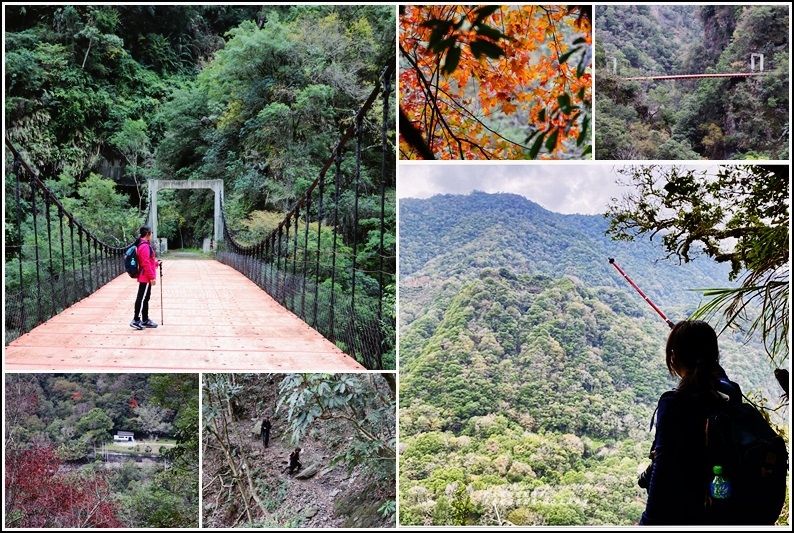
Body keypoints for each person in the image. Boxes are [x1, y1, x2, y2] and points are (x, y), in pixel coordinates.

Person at [639, 320, 741, 525]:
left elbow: (663, 471)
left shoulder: (674, 404)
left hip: (682, 515)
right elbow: (716, 373)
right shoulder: (729, 393)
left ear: (674, 356)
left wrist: (647, 523)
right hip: (719, 512)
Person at [130, 225, 161, 330]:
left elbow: (149, 261)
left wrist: (156, 263)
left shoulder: (144, 245)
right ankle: (136, 320)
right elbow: (145, 263)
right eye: (151, 233)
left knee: (145, 298)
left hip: (146, 275)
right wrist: (152, 277)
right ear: (148, 233)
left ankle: (145, 319)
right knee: (142, 298)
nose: (151, 235)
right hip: (146, 276)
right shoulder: (144, 246)